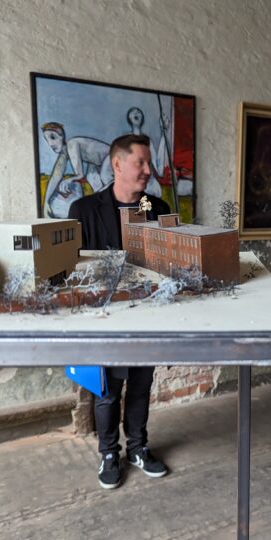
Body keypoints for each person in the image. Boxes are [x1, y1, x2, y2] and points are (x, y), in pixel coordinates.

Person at [68, 134, 171, 489]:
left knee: (142, 386)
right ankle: (109, 453)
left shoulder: (155, 208)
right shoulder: (83, 211)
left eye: (148, 163)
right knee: (108, 391)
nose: (148, 170)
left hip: (146, 317)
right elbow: (73, 272)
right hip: (106, 320)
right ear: (117, 165)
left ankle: (138, 448)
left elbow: (168, 262)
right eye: (140, 162)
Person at [41, 122, 114, 218]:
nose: (50, 144)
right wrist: (46, 202)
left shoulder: (71, 144)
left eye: (53, 137)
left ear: (61, 136)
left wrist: (68, 180)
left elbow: (80, 175)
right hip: (97, 163)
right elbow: (55, 176)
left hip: (111, 156)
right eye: (47, 140)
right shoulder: (63, 154)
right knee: (97, 190)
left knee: (105, 177)